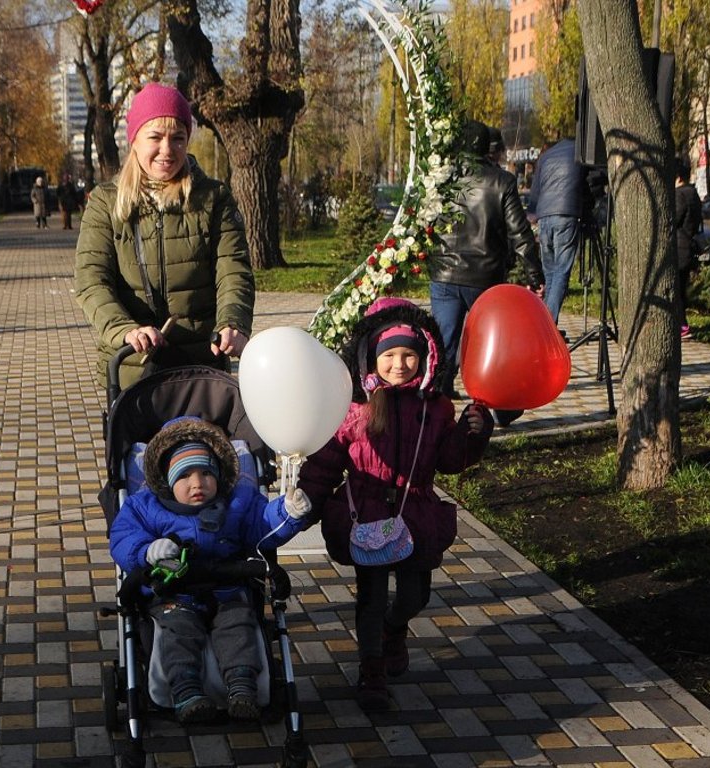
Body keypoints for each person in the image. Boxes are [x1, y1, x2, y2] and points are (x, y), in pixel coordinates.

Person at [298, 298, 493, 712]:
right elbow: (327, 460)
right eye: (389, 356)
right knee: (370, 595)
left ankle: (395, 626)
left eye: (409, 355)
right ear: (372, 358)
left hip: (415, 514)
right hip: (366, 514)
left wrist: (474, 435)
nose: (399, 364)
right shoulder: (354, 410)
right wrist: (308, 499)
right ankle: (372, 668)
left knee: (414, 595)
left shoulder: (436, 409)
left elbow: (450, 459)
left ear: (426, 358)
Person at [108, 416, 312, 723]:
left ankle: (242, 688)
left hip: (227, 586)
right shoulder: (145, 506)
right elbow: (123, 537)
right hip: (174, 592)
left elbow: (263, 523)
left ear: (219, 474)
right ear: (166, 479)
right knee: (178, 632)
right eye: (185, 475)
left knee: (238, 626)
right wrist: (148, 550)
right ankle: (186, 691)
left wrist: (288, 511)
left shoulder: (238, 502)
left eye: (206, 473)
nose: (197, 483)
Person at [76, 82, 254, 390]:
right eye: (155, 137)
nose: (167, 150)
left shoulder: (214, 199)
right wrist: (125, 330)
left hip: (201, 368)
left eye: (178, 138)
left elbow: (233, 272)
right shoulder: (106, 202)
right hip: (132, 368)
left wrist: (232, 322)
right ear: (134, 140)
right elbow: (91, 281)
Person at [429, 121, 542, 427]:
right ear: (486, 148)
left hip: (444, 274)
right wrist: (535, 275)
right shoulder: (502, 181)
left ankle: (433, 413)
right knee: (491, 345)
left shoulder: (441, 181)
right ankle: (502, 406)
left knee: (443, 345)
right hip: (485, 278)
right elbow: (520, 234)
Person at [525, 136, 588, 324]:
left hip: (544, 216)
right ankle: (548, 324)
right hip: (566, 213)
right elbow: (592, 181)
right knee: (561, 270)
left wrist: (532, 214)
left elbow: (534, 191)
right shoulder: (581, 153)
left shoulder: (546, 156)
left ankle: (544, 321)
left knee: (550, 272)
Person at [673, 160, 703, 340]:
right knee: (681, 289)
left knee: (675, 290)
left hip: (678, 246)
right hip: (689, 245)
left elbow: (673, 219)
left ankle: (682, 325)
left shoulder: (679, 195)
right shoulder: (694, 194)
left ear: (677, 178)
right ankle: (683, 324)